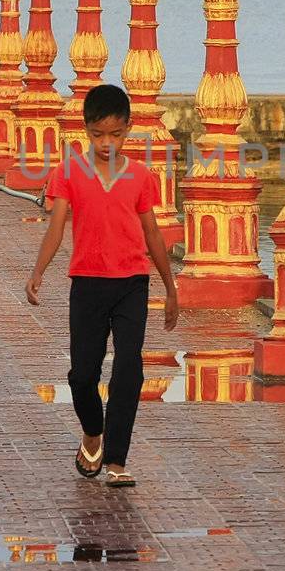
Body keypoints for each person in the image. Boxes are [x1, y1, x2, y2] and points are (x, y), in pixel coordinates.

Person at [25, 84, 179, 488]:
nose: (106, 143)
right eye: (97, 135)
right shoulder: (69, 172)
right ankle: (92, 432)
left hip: (132, 283)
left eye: (115, 134)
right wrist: (38, 271)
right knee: (82, 375)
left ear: (128, 129)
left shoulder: (141, 177)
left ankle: (116, 459)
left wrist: (171, 287)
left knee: (129, 366)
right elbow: (56, 229)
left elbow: (153, 234)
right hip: (88, 284)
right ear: (85, 131)